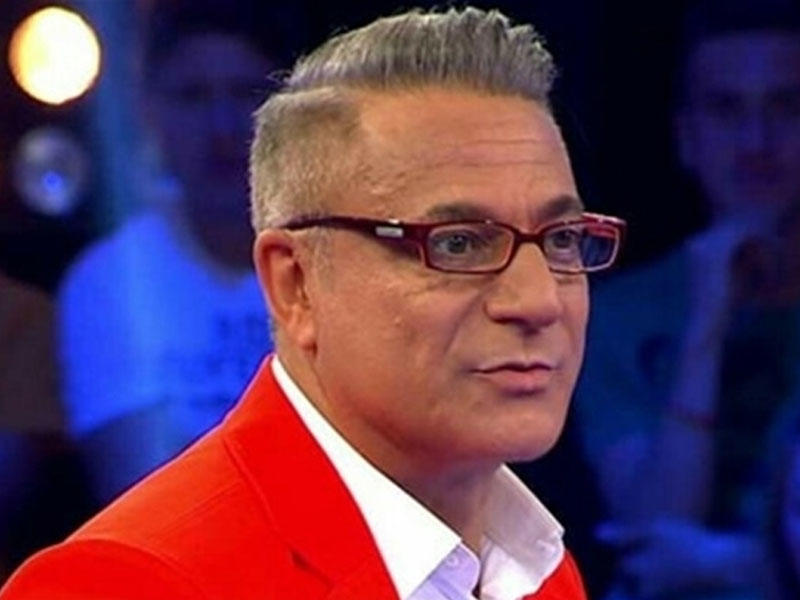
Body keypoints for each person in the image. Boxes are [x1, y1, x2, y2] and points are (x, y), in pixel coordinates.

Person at [0, 7, 626, 599]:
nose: (538, 300)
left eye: (561, 239)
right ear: (294, 283)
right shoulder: (124, 582)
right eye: (458, 243)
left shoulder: (536, 566)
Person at [576, 1, 800, 598]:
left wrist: (739, 564)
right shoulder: (621, 314)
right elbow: (652, 540)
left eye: (786, 107)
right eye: (727, 110)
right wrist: (708, 319)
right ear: (687, 138)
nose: (757, 142)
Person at [57, 3, 277, 503]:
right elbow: (138, 489)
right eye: (193, 96)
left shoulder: (340, 261)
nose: (223, 126)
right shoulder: (110, 281)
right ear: (150, 114)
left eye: (245, 93)